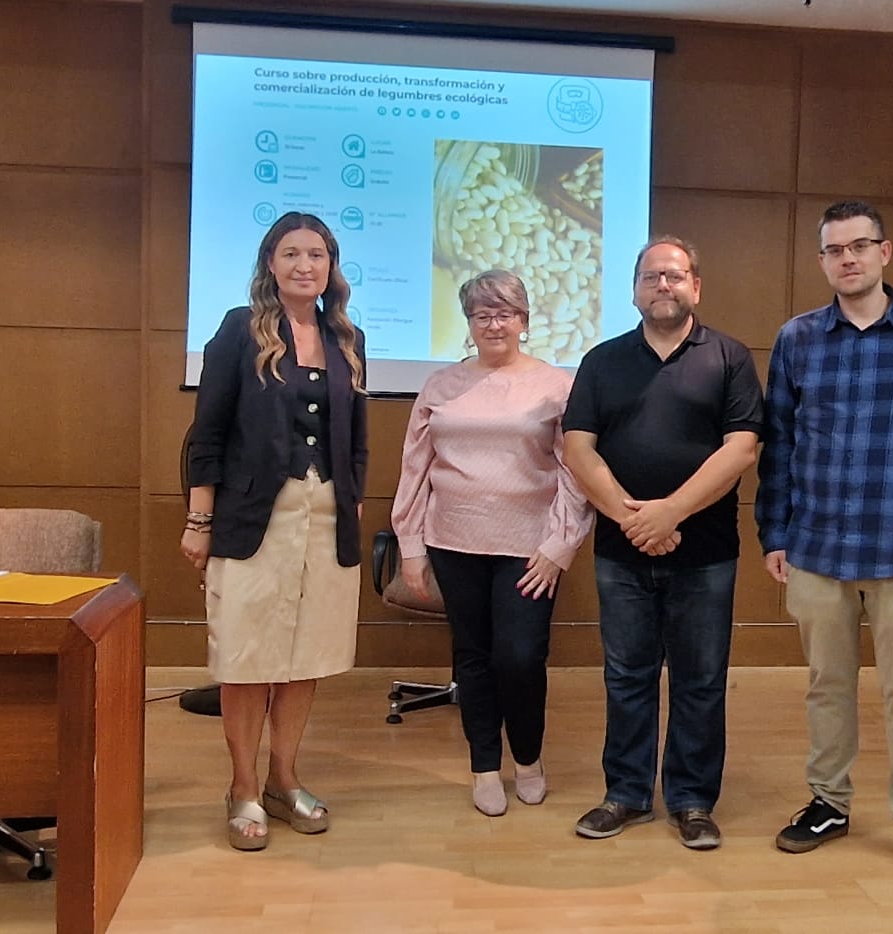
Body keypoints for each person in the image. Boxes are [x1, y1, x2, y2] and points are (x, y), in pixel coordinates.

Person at [756, 200, 893, 883]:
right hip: (816, 549)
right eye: (834, 250)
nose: (847, 259)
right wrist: (775, 531)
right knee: (828, 686)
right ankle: (829, 803)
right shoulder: (797, 339)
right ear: (822, 260)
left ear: (885, 252)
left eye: (859, 246)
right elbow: (781, 446)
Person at [561, 236, 763, 850]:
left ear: (695, 286)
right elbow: (577, 447)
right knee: (626, 676)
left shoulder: (728, 357)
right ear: (635, 288)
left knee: (701, 680)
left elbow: (743, 448)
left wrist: (670, 511)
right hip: (621, 552)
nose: (663, 285)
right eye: (651, 276)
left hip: (705, 553)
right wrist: (631, 519)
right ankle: (624, 794)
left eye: (674, 276)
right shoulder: (602, 360)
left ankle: (693, 800)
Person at [182, 211, 369, 852]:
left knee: (304, 656)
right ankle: (242, 786)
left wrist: (353, 504)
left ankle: (284, 779)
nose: (304, 265)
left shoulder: (347, 336)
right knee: (247, 658)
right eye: (290, 253)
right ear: (271, 263)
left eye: (316, 254)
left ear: (330, 266)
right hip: (252, 520)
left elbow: (358, 441)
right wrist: (198, 518)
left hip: (326, 521)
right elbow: (205, 433)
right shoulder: (239, 330)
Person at [390, 270, 594, 816]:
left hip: (530, 548)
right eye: (482, 314)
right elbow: (415, 466)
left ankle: (527, 758)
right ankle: (484, 766)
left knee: (521, 657)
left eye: (504, 313)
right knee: (473, 658)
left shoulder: (556, 385)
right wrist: (411, 546)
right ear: (470, 323)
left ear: (524, 322)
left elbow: (576, 471)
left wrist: (561, 544)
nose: (493, 323)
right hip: (453, 541)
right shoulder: (441, 385)